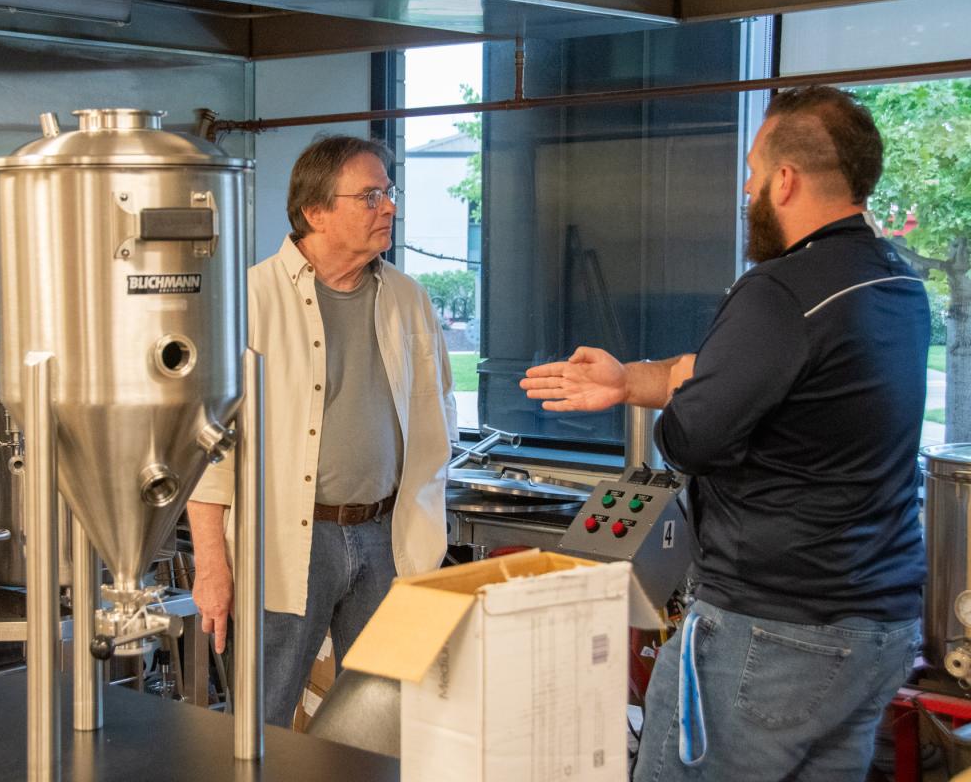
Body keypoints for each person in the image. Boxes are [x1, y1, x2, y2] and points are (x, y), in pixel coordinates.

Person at [521, 86, 927, 781]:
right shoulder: (894, 282)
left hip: (772, 632)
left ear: (785, 180)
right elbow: (752, 377)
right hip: (876, 627)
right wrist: (628, 382)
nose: (745, 188)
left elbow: (688, 439)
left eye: (751, 171)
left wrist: (688, 406)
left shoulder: (780, 291)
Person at [187, 135, 456, 728]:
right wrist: (212, 567)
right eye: (370, 196)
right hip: (287, 543)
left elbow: (439, 417)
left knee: (382, 724)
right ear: (315, 211)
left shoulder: (409, 299)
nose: (389, 207)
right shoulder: (249, 299)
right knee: (261, 721)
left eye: (389, 193)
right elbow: (208, 452)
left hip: (390, 536)